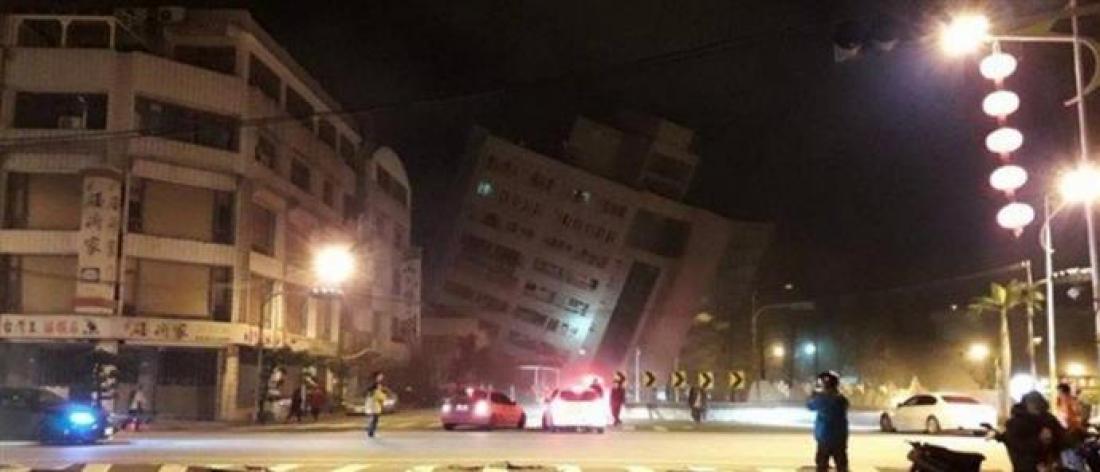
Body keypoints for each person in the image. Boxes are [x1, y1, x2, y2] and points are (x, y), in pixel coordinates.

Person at [1001, 391, 1066, 471]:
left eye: (1039, 407)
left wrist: (1053, 439)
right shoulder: (1017, 423)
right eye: (1034, 406)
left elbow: (1062, 438)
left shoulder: (1048, 419)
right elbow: (1017, 446)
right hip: (1026, 466)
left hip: (1048, 464)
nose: (1037, 410)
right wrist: (1040, 441)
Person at [807, 371, 849, 472]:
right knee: (841, 465)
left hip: (824, 438)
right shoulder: (841, 399)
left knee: (822, 465)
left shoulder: (822, 399)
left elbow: (810, 405)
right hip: (840, 438)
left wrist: (813, 395)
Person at [364, 371, 387, 438]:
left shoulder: (375, 384)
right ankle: (370, 431)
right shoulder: (375, 385)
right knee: (374, 418)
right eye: (380, 376)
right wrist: (384, 396)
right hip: (374, 405)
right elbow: (378, 395)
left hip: (372, 404)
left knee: (373, 418)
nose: (382, 377)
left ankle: (370, 430)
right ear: (377, 376)